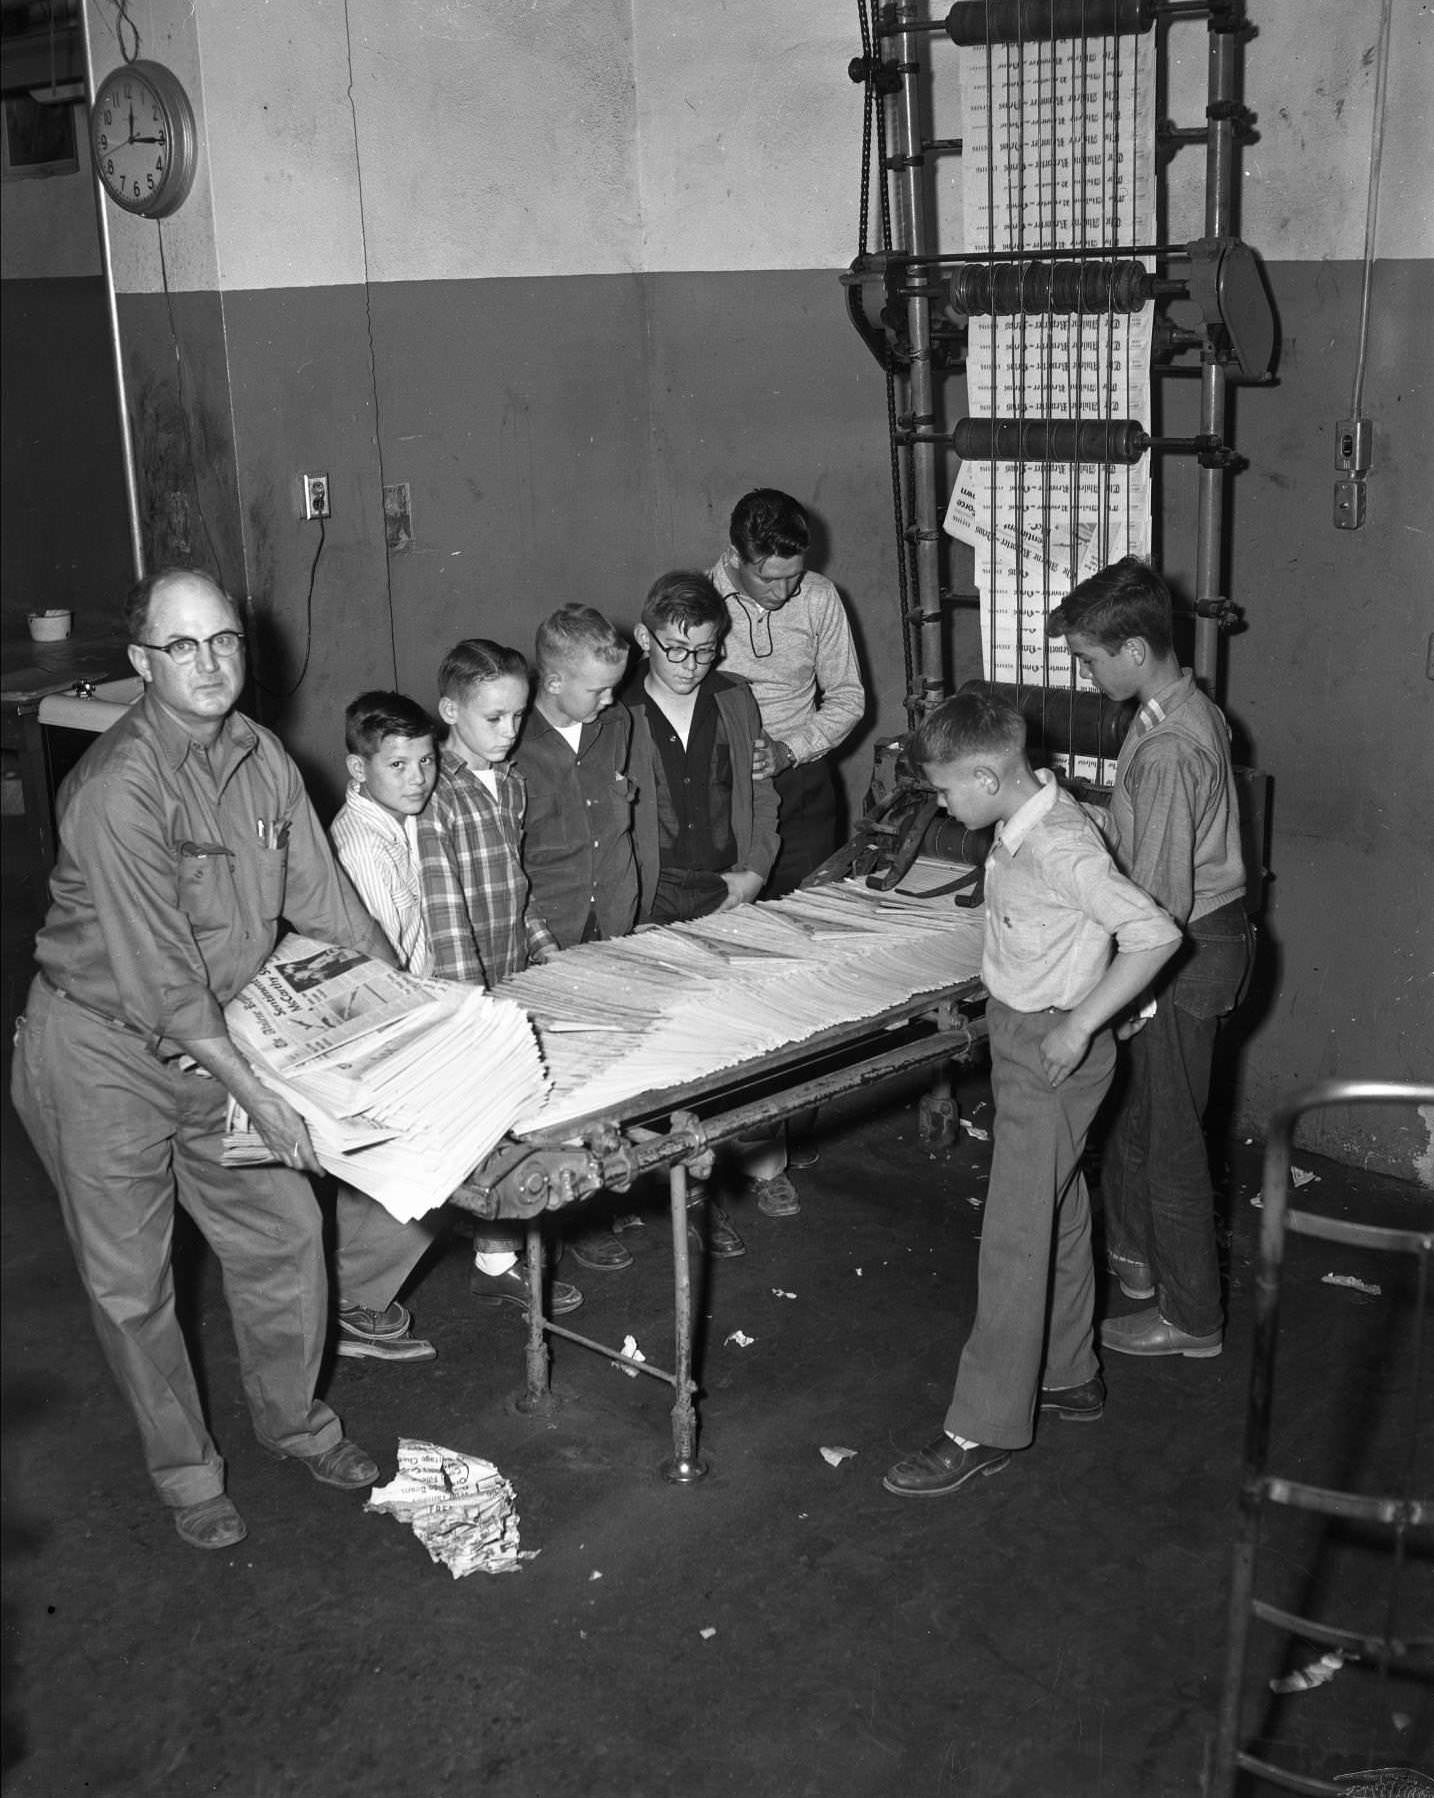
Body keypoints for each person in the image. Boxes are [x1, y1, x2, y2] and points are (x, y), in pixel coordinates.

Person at [10, 568, 391, 1551]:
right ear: (142, 663)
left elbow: (332, 907)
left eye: (224, 640)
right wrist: (264, 1100)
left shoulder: (263, 757)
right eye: (183, 647)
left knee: (284, 1237)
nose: (210, 662)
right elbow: (165, 987)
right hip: (99, 1051)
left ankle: (294, 1419)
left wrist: (415, 1016)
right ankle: (186, 1473)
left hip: (211, 1044)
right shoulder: (115, 791)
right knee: (133, 1285)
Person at [883, 690, 1179, 1499]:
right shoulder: (1026, 816)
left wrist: (1081, 1026)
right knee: (1057, 1205)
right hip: (1024, 1035)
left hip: (1050, 1048)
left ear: (988, 774)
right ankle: (1070, 1372)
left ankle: (982, 1426)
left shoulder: (1057, 845)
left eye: (946, 790)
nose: (941, 804)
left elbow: (1154, 933)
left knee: (1013, 1238)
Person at [1046, 557, 1251, 1359]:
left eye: (1091, 660)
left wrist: (1126, 1000)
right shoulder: (1180, 706)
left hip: (1186, 952)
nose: (1089, 675)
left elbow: (1160, 905)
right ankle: (1139, 1265)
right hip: (1208, 936)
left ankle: (1193, 1317)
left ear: (1133, 650)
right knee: (1139, 1121)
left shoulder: (1166, 746)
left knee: (1170, 1142)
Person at [418, 638, 583, 1315]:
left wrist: (550, 954)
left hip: (512, 969)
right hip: (468, 985)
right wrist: (471, 1004)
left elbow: (519, 889)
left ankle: (512, 1227)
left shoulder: (509, 781)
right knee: (492, 1119)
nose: (509, 732)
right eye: (493, 719)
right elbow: (443, 905)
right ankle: (496, 1255)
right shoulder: (438, 792)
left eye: (518, 716)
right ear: (449, 710)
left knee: (522, 1112)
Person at [626, 570, 783, 1254]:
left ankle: (746, 1169)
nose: (692, 666)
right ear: (643, 640)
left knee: (737, 1039)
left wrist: (754, 872)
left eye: (708, 649)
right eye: (676, 650)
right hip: (653, 899)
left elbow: (763, 792)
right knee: (662, 1052)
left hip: (727, 887)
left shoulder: (734, 698)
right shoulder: (619, 710)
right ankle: (679, 1193)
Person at [513, 604, 639, 1272]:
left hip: (611, 921)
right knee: (555, 1086)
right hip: (546, 936)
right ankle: (568, 1220)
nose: (611, 698)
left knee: (609, 1070)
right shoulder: (514, 744)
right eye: (598, 687)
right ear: (555, 681)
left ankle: (607, 1190)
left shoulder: (614, 724)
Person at [328, 690, 444, 1364]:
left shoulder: (399, 822)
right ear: (357, 767)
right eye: (398, 765)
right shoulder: (365, 849)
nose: (418, 779)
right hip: (385, 1024)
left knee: (398, 1173)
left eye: (426, 762)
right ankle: (353, 1303)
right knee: (406, 1169)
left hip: (414, 1008)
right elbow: (379, 967)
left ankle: (357, 1290)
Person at [709, 488, 865, 901]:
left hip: (802, 782)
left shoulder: (818, 596)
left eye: (793, 575)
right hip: (724, 785)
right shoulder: (699, 601)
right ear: (733, 556)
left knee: (812, 909)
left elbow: (848, 696)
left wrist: (790, 750)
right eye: (768, 578)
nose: (782, 592)